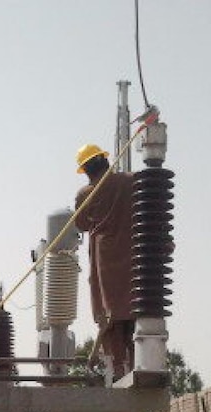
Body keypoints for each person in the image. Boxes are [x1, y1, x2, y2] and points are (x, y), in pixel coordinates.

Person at [74, 144, 135, 376]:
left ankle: (117, 366)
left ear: (86, 170)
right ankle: (136, 361)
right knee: (134, 311)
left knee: (109, 315)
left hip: (105, 259)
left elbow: (80, 224)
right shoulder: (131, 182)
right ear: (106, 161)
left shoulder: (86, 193)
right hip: (134, 255)